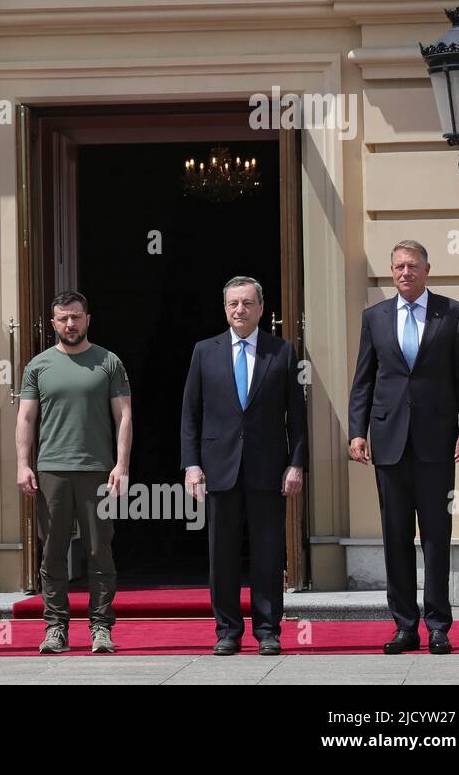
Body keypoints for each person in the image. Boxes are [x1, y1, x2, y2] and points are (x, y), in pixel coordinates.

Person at [348, 240, 459, 655]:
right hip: (388, 444)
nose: (405, 272)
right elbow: (364, 381)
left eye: (413, 266)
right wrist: (357, 431)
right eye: (399, 266)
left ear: (427, 270)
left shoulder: (453, 314)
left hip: (437, 444)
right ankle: (405, 626)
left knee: (437, 536)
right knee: (395, 537)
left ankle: (438, 625)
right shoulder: (375, 317)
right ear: (392, 272)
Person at [181, 276, 307, 656]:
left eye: (248, 303)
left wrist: (296, 465)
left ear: (260, 308)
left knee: (269, 553)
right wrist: (191, 465)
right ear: (225, 308)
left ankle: (268, 631)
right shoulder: (205, 351)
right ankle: (228, 631)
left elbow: (297, 418)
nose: (240, 310)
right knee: (222, 554)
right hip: (219, 469)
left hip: (268, 469)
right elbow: (190, 414)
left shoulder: (282, 352)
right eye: (234, 303)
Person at [16, 291, 132, 655]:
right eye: (63, 318)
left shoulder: (108, 362)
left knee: (100, 550)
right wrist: (23, 463)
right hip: (51, 470)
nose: (70, 323)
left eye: (76, 317)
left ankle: (100, 627)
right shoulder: (38, 365)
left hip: (98, 471)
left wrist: (122, 465)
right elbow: (26, 418)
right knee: (52, 552)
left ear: (87, 319)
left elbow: (124, 416)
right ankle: (55, 628)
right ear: (53, 323)